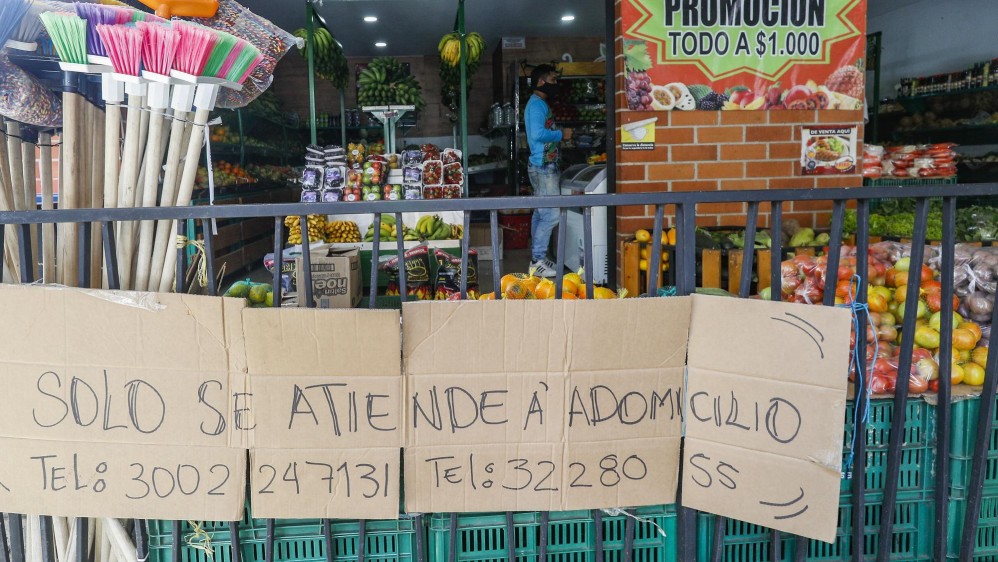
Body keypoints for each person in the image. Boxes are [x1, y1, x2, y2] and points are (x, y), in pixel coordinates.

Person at [524, 64, 572, 277]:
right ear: (541, 82)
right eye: (553, 81)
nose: (556, 85)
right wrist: (562, 134)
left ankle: (539, 259)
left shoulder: (540, 104)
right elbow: (537, 135)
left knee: (541, 213)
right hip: (543, 166)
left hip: (541, 165)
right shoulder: (536, 106)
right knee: (552, 214)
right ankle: (537, 261)